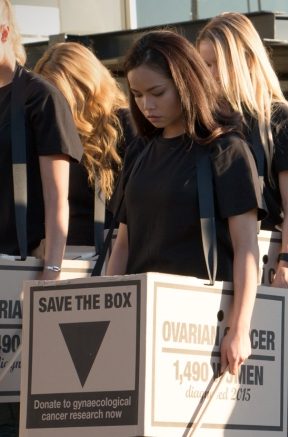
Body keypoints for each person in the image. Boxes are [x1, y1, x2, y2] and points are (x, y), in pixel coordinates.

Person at [106, 30, 264, 379]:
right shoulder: (139, 150)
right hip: (139, 316)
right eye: (137, 95)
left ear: (187, 82)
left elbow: (247, 248)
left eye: (157, 93)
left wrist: (239, 328)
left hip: (199, 325)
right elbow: (123, 244)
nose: (147, 105)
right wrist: (107, 311)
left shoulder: (226, 150)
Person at [0, 0, 83, 432]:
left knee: (19, 410)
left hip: (23, 272)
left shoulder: (40, 97)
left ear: (2, 34)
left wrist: (50, 273)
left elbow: (58, 199)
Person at [197, 12, 288, 291]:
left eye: (215, 64)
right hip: (211, 253)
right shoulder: (204, 120)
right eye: (203, 64)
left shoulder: (280, 118)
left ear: (246, 60)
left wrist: (287, 261)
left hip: (261, 256)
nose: (208, 74)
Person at [33, 42, 132, 248]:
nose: (51, 104)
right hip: (62, 257)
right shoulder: (49, 130)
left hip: (108, 259)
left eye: (57, 95)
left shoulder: (123, 124)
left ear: (83, 87)